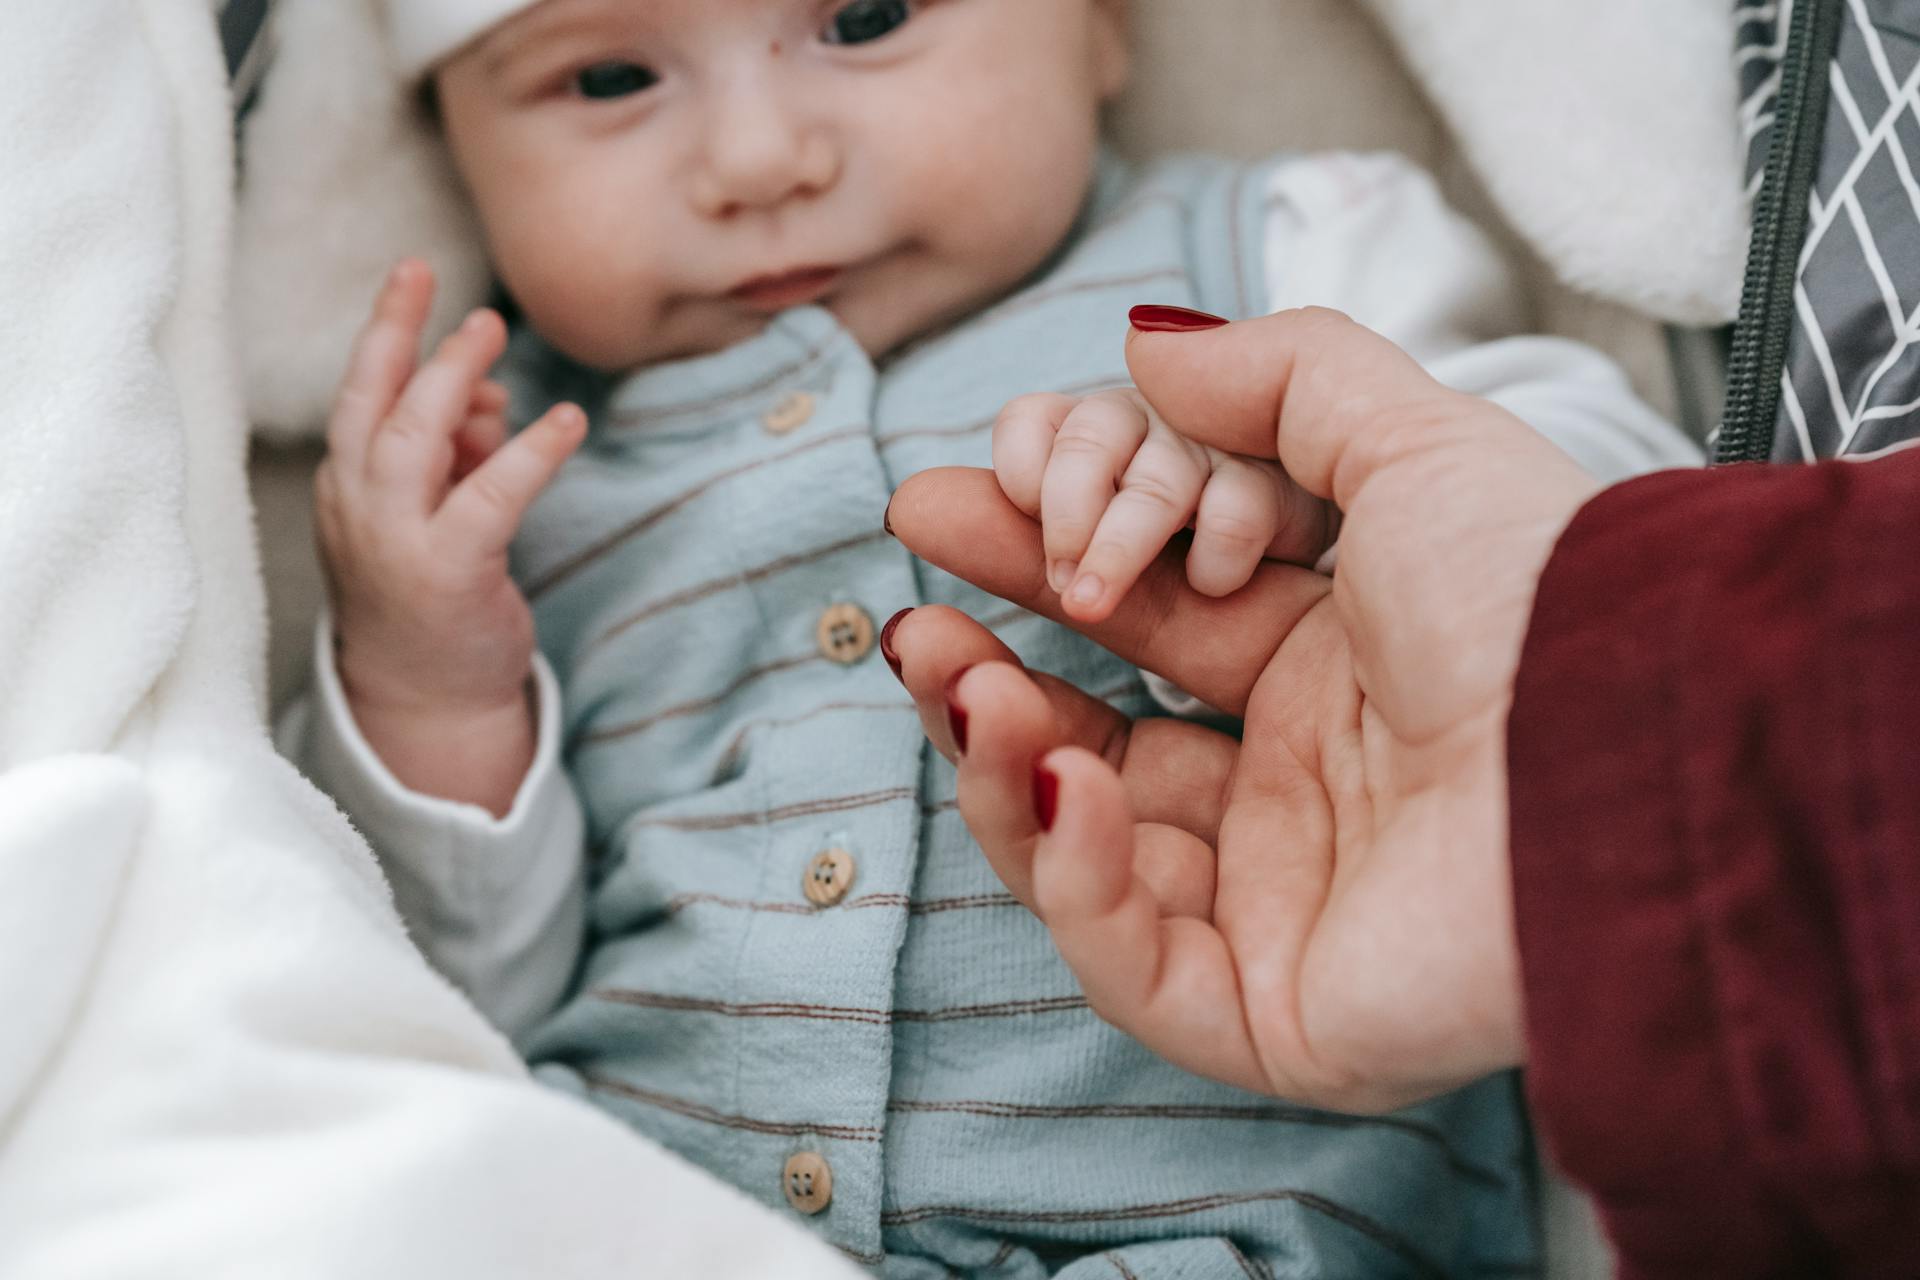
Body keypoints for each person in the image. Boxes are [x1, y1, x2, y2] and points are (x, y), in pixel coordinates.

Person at [272, 0, 1700, 1272]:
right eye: (607, 78)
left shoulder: (1285, 259)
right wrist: (424, 680)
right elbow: (428, 1002)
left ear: (1104, 27)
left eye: (868, 18)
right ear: (452, 149)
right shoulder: (506, 478)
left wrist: (1302, 499)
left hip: (1227, 1222)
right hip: (651, 1210)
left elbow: (1628, 535)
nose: (761, 160)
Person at [883, 306, 1920, 1275]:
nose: (757, 165)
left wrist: (1295, 510)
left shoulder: (1309, 217)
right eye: (705, 102)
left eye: (878, 92)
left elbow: (1616, 464)